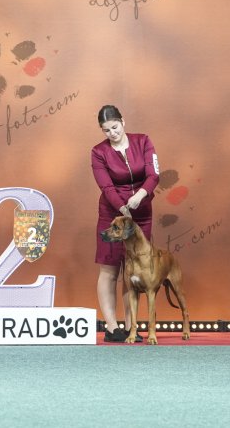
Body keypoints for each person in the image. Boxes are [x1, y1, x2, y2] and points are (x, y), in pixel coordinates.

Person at [91, 105, 160, 343]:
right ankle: (112, 328)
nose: (112, 133)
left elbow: (153, 175)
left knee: (134, 270)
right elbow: (106, 186)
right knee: (109, 270)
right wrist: (122, 209)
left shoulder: (143, 141)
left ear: (123, 122)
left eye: (115, 127)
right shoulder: (98, 152)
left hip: (141, 214)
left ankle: (132, 327)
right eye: (106, 130)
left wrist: (140, 196)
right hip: (113, 215)